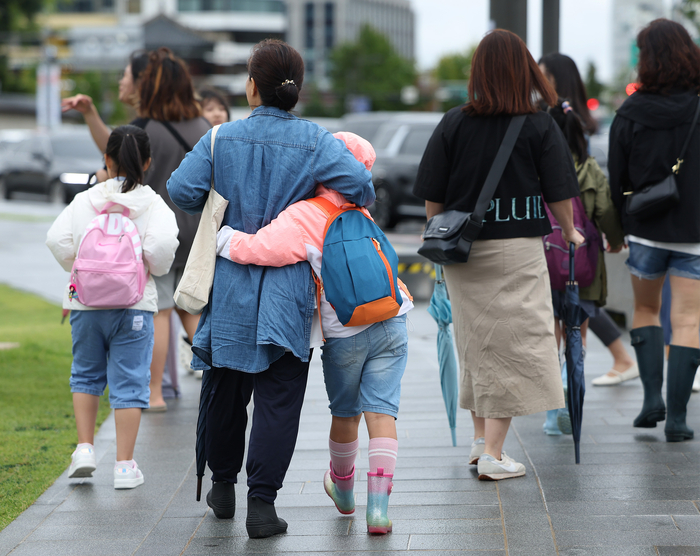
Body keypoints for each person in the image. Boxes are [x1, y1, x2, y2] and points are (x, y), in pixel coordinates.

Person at [166, 39, 375, 538]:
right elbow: (361, 187)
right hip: (290, 292)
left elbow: (180, 190)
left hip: (231, 284)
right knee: (279, 398)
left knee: (223, 389)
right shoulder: (317, 142)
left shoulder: (221, 139)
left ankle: (221, 486)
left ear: (251, 86)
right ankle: (262, 505)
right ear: (297, 92)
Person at [215, 131, 413, 534]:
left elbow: (259, 249)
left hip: (345, 332)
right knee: (382, 412)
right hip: (394, 317)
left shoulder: (305, 213)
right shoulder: (363, 209)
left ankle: (342, 488)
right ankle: (378, 512)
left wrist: (222, 238)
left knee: (345, 414)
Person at [413, 29, 584, 481]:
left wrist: (439, 236)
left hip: (463, 251)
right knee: (513, 345)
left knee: (476, 342)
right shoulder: (538, 123)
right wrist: (570, 231)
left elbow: (432, 194)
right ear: (521, 70)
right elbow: (560, 190)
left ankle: (478, 443)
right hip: (516, 250)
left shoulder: (454, 121)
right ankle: (493, 453)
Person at [45, 125, 179, 489]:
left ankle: (85, 449)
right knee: (130, 381)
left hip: (85, 306)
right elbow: (163, 252)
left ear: (106, 159)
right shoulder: (153, 204)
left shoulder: (85, 200)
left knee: (85, 375)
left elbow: (56, 239)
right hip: (134, 306)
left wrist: (83, 270)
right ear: (148, 162)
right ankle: (123, 466)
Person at [608, 18, 700, 442]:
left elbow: (617, 175)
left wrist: (618, 228)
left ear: (646, 59)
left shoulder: (631, 111)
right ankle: (678, 419)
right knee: (688, 320)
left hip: (645, 230)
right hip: (695, 234)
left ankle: (651, 401)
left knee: (645, 311)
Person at [538, 52, 639, 387]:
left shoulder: (544, 127)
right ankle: (572, 386)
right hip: (581, 249)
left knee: (552, 320)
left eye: (543, 76)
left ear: (555, 80)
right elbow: (603, 202)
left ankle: (555, 395)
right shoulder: (585, 152)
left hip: (544, 247)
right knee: (578, 317)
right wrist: (614, 236)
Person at [130, 48, 211, 410]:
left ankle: (156, 394)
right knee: (191, 309)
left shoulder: (143, 129)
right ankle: (221, 383)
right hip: (198, 233)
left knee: (160, 311)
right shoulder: (204, 129)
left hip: (157, 235)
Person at [542, 99, 626, 435]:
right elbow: (605, 211)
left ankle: (551, 416)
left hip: (544, 265)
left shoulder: (537, 169)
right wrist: (616, 241)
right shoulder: (590, 168)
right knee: (577, 336)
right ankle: (570, 391)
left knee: (550, 337)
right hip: (583, 266)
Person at [62, 50, 150, 183]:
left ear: (140, 82)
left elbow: (119, 155)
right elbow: (117, 148)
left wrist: (102, 177)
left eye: (125, 75)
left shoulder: (146, 126)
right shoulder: (167, 122)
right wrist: (89, 112)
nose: (121, 82)